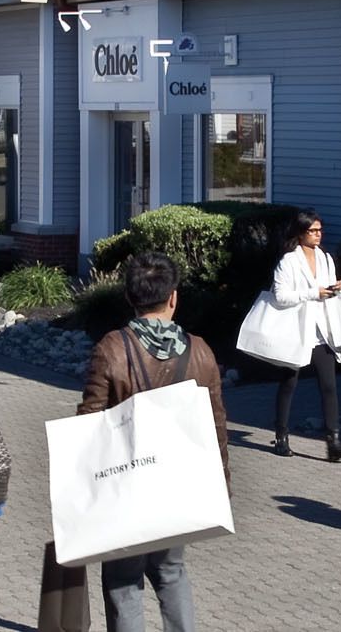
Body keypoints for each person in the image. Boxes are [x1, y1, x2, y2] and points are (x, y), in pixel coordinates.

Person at [78, 252, 229, 632]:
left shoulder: (111, 349)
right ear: (173, 297)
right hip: (176, 484)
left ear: (129, 297)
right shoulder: (201, 351)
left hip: (125, 484)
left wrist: (80, 490)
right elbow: (216, 425)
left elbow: (90, 422)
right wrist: (221, 484)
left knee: (123, 580)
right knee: (172, 572)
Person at [267, 209, 341, 461]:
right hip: (297, 330)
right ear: (300, 233)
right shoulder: (288, 261)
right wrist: (312, 293)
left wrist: (339, 287)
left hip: (322, 331)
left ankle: (334, 442)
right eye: (313, 231)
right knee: (289, 383)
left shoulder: (325, 258)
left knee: (329, 386)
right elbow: (280, 296)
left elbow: (327, 289)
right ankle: (281, 436)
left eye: (320, 230)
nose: (318, 235)